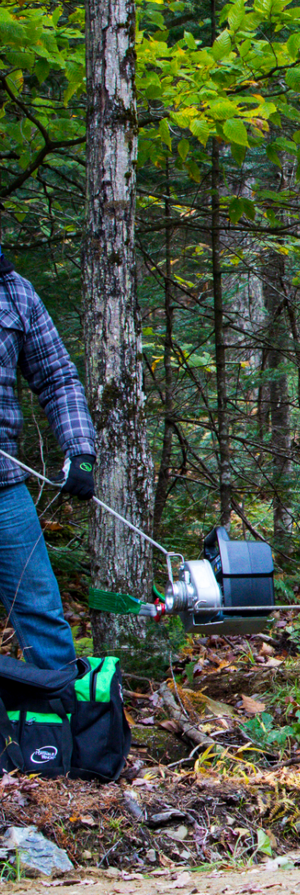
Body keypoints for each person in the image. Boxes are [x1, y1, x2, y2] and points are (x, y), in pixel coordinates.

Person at [0, 253, 96, 670]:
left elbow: (58, 378)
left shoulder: (15, 293)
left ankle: (63, 724)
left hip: (3, 487)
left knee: (40, 609)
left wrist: (81, 451)